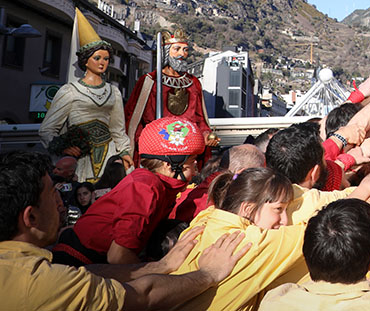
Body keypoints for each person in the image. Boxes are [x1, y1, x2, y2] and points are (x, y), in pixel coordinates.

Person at [0, 150, 250, 311]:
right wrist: (208, 274)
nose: (59, 203)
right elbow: (142, 294)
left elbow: (83, 274)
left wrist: (159, 266)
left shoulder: (37, 273)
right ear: (31, 217)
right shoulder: (146, 186)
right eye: (52, 193)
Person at [53, 117, 205, 266]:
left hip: (93, 263)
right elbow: (118, 256)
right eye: (192, 162)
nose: (195, 171)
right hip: (78, 262)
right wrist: (162, 269)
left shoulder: (160, 187)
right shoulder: (146, 187)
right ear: (169, 165)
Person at [170, 167, 312, 311]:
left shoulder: (205, 219)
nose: (285, 220)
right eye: (279, 209)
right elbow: (318, 229)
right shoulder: (251, 243)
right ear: (248, 209)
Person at [39, 9, 132, 182]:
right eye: (97, 58)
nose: (102, 63)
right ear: (86, 60)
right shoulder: (70, 91)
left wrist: (125, 152)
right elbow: (47, 129)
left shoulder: (114, 92)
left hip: (108, 154)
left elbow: (117, 129)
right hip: (80, 157)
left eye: (106, 59)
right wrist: (64, 147)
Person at [124, 29, 217, 159]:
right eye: (177, 49)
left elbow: (200, 119)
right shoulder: (150, 81)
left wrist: (206, 135)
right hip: (158, 146)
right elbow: (134, 119)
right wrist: (144, 141)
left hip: (187, 147)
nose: (182, 54)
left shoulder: (193, 83)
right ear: (166, 52)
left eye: (185, 50)